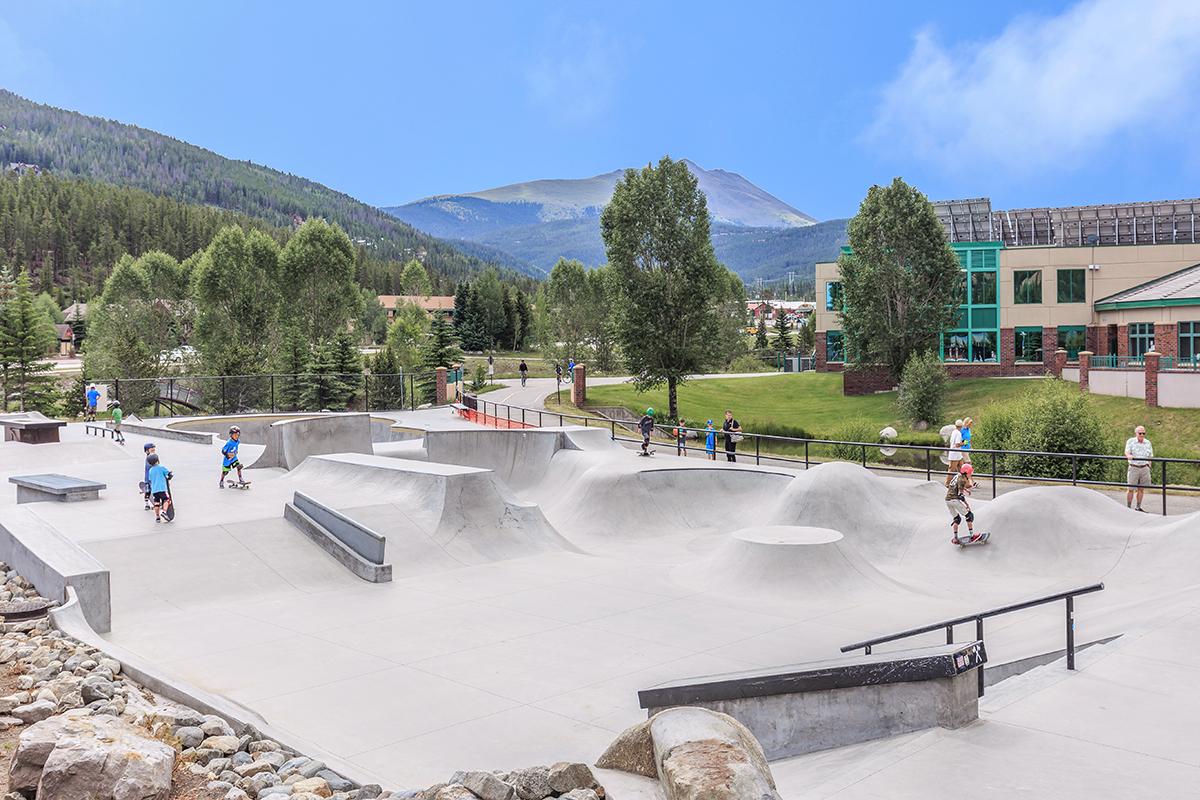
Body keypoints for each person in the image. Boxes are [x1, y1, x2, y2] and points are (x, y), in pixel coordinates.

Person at [945, 462, 980, 544]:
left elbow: (957, 486)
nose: (970, 475)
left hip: (947, 500)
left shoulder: (957, 475)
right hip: (954, 500)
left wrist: (966, 489)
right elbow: (960, 496)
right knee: (969, 516)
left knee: (957, 519)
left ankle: (955, 538)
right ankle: (972, 536)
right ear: (966, 473)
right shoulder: (963, 480)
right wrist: (967, 505)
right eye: (970, 473)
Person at [1124, 425, 1153, 512]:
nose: (1142, 435)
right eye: (1140, 433)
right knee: (1130, 489)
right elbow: (1127, 451)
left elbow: (1150, 455)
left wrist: (1149, 465)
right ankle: (1128, 508)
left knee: (1141, 489)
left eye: (1143, 433)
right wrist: (1128, 455)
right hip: (1134, 467)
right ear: (1136, 433)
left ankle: (1138, 507)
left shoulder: (1147, 442)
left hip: (1144, 467)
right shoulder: (1131, 441)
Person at [146, 453, 173, 523]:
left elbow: (150, 479)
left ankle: (157, 517)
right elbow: (169, 474)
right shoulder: (161, 467)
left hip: (154, 490)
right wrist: (170, 475)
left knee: (157, 503)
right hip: (162, 489)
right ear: (158, 460)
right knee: (167, 499)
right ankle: (164, 512)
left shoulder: (150, 470)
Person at [142, 442, 157, 510]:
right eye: (152, 450)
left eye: (154, 450)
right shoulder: (149, 458)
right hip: (148, 478)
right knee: (148, 491)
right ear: (147, 451)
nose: (153, 452)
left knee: (156, 491)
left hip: (155, 478)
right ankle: (146, 504)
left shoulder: (155, 457)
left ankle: (157, 504)